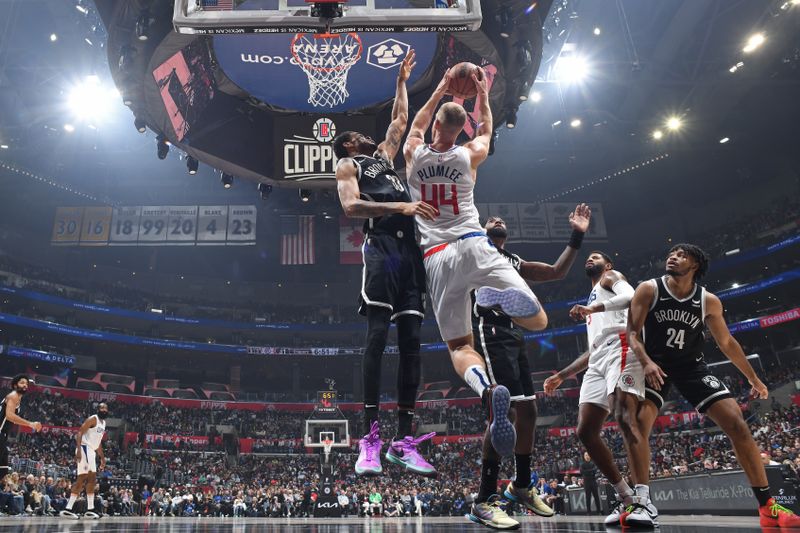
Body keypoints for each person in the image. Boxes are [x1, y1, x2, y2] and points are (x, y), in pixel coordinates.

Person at [403, 68, 549, 528]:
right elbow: (486, 129)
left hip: (438, 256)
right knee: (541, 321)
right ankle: (498, 292)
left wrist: (441, 88)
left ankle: (486, 390)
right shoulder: (469, 156)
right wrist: (481, 93)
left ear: (433, 130)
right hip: (476, 243)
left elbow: (412, 127)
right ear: (459, 129)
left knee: (458, 347)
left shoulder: (414, 157)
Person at [627, 244, 800, 529]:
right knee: (639, 424)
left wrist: (753, 378)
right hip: (654, 363)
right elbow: (632, 333)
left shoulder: (708, 300)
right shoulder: (649, 289)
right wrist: (645, 362)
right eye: (671, 252)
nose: (672, 256)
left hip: (691, 367)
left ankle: (767, 506)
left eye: (681, 254)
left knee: (736, 422)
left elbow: (727, 343)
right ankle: (641, 502)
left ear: (695, 264)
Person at [334, 50, 437, 477]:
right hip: (380, 251)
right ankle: (370, 436)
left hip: (410, 252)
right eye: (354, 134)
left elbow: (399, 119)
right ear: (346, 145)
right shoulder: (348, 163)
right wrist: (403, 207)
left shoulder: (383, 158)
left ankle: (403, 439)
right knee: (377, 336)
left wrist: (400, 81)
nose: (363, 135)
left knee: (413, 342)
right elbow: (352, 207)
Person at [467, 207, 590, 527]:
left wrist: (577, 234)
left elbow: (555, 272)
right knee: (503, 410)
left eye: (501, 221)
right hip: (491, 332)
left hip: (514, 333)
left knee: (529, 412)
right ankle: (484, 499)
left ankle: (522, 484)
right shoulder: (475, 251)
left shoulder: (514, 261)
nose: (497, 220)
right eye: (490, 220)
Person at [544, 250, 655, 526]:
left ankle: (645, 500)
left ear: (608, 264)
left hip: (622, 346)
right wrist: (563, 375)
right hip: (598, 359)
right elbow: (593, 349)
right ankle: (626, 497)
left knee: (624, 418)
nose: (590, 259)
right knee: (585, 430)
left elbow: (631, 297)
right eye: (588, 257)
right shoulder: (591, 300)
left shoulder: (610, 278)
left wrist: (592, 309)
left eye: (596, 256)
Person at [60, 402, 109, 519]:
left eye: (105, 408)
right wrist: (78, 449)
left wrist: (102, 458)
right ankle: (68, 509)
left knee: (91, 479)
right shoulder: (93, 419)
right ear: (97, 409)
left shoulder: (104, 423)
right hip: (84, 448)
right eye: (101, 407)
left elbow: (98, 443)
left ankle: (90, 509)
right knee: (83, 478)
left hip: (91, 450)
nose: (103, 409)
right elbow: (80, 432)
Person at [1, 375, 42, 481]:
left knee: (3, 469)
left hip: (3, 434)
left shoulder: (17, 398)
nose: (25, 385)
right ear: (15, 385)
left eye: (26, 384)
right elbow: (10, 415)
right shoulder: (13, 396)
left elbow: (12, 419)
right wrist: (30, 424)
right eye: (22, 383)